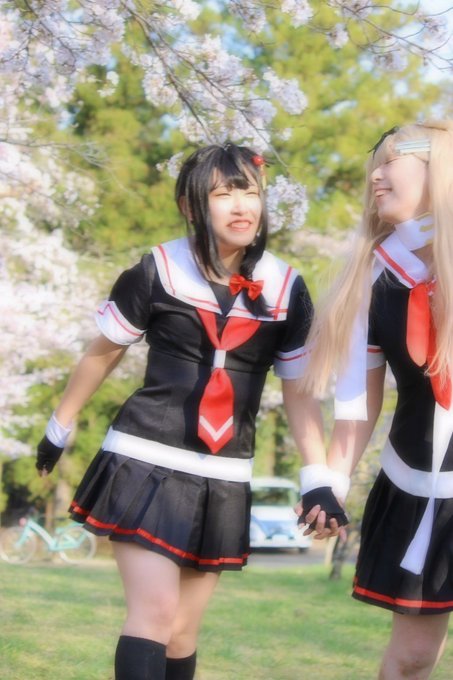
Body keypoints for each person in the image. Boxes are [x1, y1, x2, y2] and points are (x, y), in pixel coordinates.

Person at [36, 143, 346, 680]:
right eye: (223, 194)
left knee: (181, 632)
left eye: (249, 191)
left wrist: (317, 478)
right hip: (144, 459)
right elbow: (103, 353)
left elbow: (299, 393)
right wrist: (58, 427)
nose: (241, 206)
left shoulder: (287, 287)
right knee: (155, 613)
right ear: (190, 206)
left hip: (223, 473)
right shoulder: (157, 269)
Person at [302, 120, 453, 679]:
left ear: (437, 168)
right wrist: (329, 484)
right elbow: (356, 407)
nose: (375, 176)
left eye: (390, 161)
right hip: (423, 483)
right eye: (375, 164)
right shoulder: (375, 277)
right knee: (412, 659)